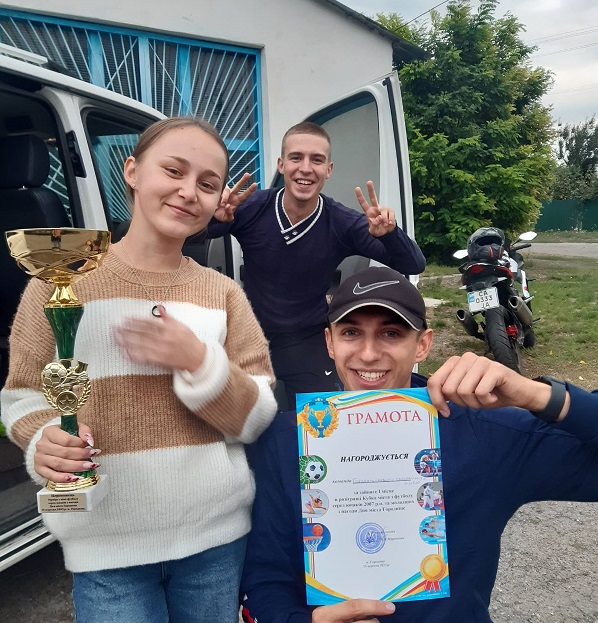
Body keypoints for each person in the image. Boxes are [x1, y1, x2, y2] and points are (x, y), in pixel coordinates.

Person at [1, 117, 277, 623]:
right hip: (106, 549)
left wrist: (200, 362)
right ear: (131, 170)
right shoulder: (57, 281)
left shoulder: (224, 294)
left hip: (215, 541)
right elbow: (22, 395)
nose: (188, 191)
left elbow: (258, 416)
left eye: (207, 183)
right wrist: (44, 440)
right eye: (173, 170)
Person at [239, 265, 598, 623]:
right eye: (351, 332)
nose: (368, 354)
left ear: (423, 344)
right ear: (330, 342)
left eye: (391, 333)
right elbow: (266, 578)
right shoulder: (290, 439)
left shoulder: (484, 433)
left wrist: (534, 394)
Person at [207, 122, 426, 406]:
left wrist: (390, 233)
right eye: (296, 158)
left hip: (308, 340)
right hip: (250, 334)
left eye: (317, 160)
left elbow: (413, 263)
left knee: (322, 419)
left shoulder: (342, 222)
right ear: (282, 165)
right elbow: (190, 236)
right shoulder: (252, 207)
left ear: (328, 170)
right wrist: (215, 220)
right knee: (243, 417)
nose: (306, 168)